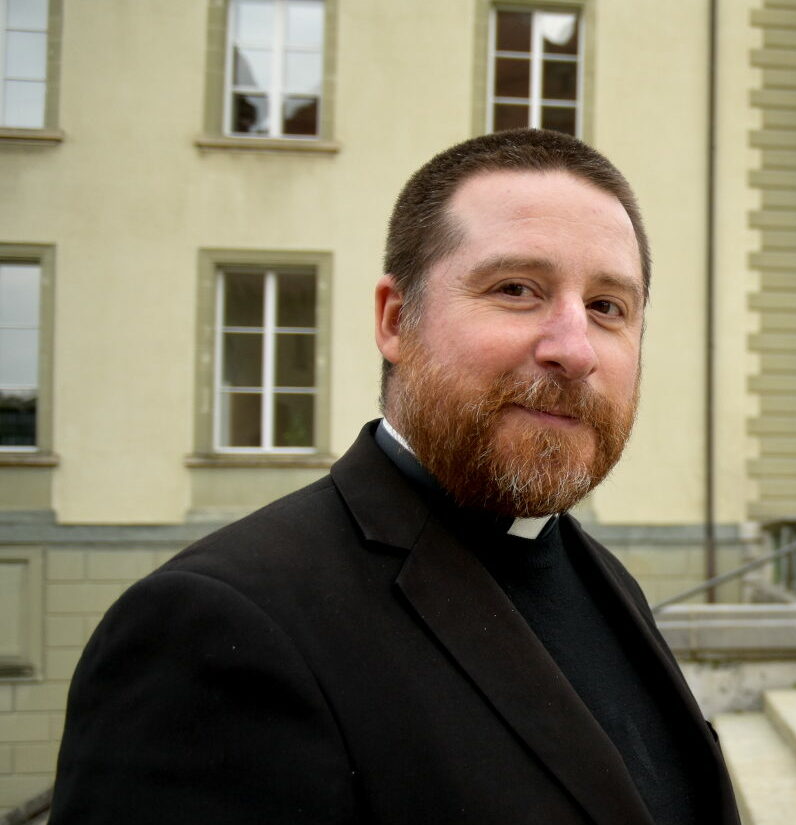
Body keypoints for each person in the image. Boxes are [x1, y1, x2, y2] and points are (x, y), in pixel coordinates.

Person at [51, 130, 739, 824]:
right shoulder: (214, 625)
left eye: (607, 306)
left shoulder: (608, 579)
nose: (574, 349)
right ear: (394, 319)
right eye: (516, 289)